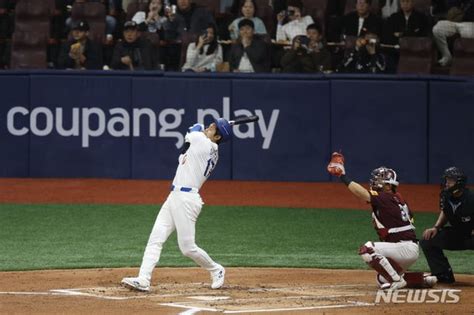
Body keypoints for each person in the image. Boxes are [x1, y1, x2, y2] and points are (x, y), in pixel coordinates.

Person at [121, 118, 233, 292]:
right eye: (211, 124)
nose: (210, 126)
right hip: (175, 196)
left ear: (217, 137)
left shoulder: (204, 144)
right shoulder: (202, 147)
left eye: (214, 127)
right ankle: (143, 279)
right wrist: (196, 134)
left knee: (187, 248)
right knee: (155, 238)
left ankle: (216, 269)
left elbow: (192, 129)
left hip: (187, 199)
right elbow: (183, 154)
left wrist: (197, 128)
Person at [327, 152, 437, 290]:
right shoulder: (398, 199)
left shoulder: (385, 197)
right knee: (382, 279)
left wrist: (343, 176)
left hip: (402, 248)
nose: (375, 182)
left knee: (367, 249)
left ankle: (397, 280)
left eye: (379, 180)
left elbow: (363, 194)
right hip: (406, 249)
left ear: (389, 186)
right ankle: (422, 280)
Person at [420, 167, 474, 283]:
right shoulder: (446, 196)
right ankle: (443, 274)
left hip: (472, 235)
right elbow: (445, 211)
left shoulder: (471, 198)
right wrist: (436, 227)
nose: (447, 183)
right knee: (428, 240)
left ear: (459, 183)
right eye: (446, 180)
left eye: (450, 181)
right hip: (458, 234)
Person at [432, 0, 474, 66]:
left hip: (470, 23)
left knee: (467, 33)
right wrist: (454, 8)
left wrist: (463, 15)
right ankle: (447, 57)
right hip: (455, 22)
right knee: (438, 28)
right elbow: (450, 5)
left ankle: (464, 62)